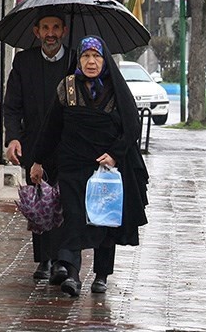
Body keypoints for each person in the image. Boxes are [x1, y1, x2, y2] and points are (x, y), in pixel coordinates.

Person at [30, 36, 149, 297]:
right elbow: (52, 126)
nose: (91, 62)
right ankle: (72, 274)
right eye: (86, 56)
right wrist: (38, 159)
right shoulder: (68, 87)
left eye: (96, 56)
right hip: (72, 164)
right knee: (73, 216)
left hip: (105, 168)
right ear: (79, 60)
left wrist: (114, 155)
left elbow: (131, 128)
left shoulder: (116, 89)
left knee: (103, 220)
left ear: (104, 60)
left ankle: (102, 275)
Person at [3, 9, 74, 281]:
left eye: (56, 27)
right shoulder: (23, 62)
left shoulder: (74, 61)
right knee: (40, 201)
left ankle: (60, 260)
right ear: (37, 32)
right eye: (45, 28)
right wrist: (13, 138)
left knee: (64, 200)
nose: (51, 33)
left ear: (64, 31)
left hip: (66, 143)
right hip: (33, 143)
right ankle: (43, 260)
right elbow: (12, 106)